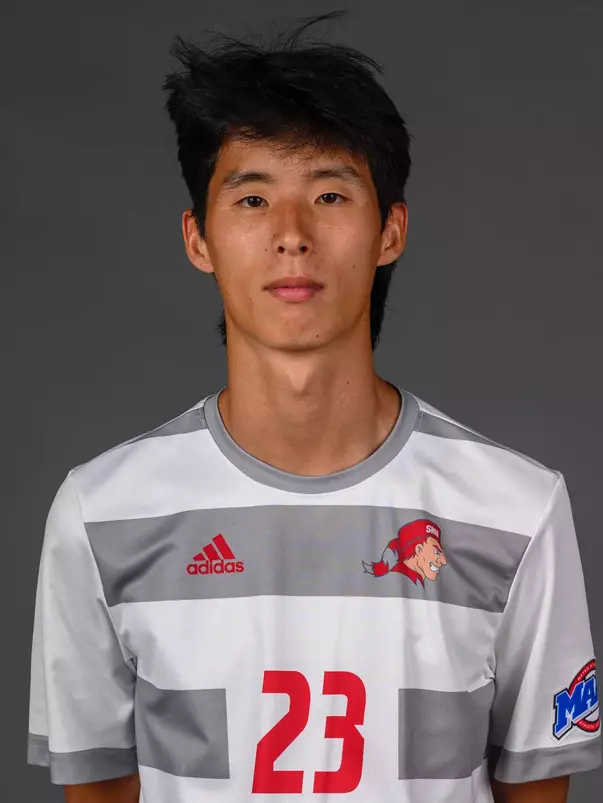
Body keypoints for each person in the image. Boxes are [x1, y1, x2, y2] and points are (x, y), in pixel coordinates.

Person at [26, 12, 601, 803]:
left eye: (329, 193)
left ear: (388, 230)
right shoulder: (100, 512)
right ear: (198, 239)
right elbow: (100, 787)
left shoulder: (517, 508)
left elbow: (535, 788)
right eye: (252, 199)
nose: (292, 234)